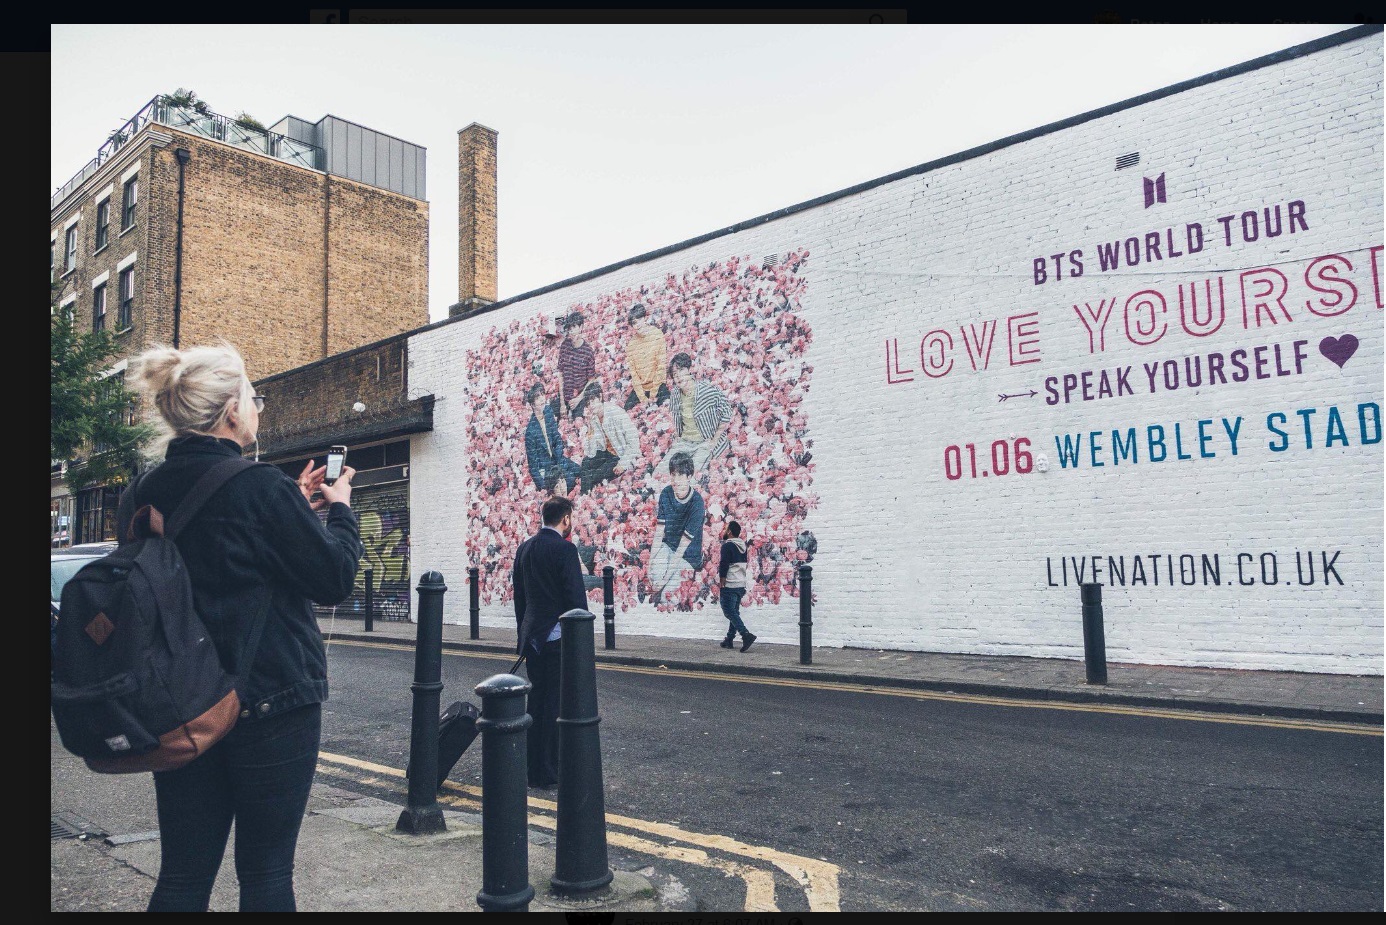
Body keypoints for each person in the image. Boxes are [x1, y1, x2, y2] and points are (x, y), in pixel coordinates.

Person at [123, 341, 363, 912]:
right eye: (254, 397)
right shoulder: (260, 487)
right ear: (231, 409)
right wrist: (342, 509)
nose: (259, 407)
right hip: (271, 699)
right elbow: (331, 578)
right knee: (265, 874)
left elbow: (202, 571)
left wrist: (294, 513)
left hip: (182, 703)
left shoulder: (143, 491)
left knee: (182, 874)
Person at [512, 495, 587, 789]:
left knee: (536, 702)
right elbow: (575, 601)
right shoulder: (565, 550)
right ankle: (548, 771)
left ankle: (533, 768)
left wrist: (525, 633)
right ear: (566, 518)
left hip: (533, 638)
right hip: (556, 640)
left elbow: (520, 597)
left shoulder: (524, 548)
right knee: (554, 705)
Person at [660, 352, 733, 476]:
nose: (678, 377)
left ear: (689, 370)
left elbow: (727, 411)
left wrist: (714, 440)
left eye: (681, 370)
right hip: (684, 442)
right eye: (674, 374)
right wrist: (678, 437)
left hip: (704, 442)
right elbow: (677, 418)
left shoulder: (706, 390)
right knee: (661, 472)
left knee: (689, 476)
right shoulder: (675, 395)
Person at [648, 451, 706, 603]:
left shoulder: (697, 503)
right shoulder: (666, 493)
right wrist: (650, 563)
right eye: (673, 474)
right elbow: (659, 533)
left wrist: (664, 581)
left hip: (687, 557)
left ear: (689, 477)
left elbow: (682, 548)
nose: (675, 480)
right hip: (668, 547)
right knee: (654, 578)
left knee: (667, 598)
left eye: (680, 475)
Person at [571, 381, 640, 494]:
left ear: (600, 397)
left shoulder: (616, 413)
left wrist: (623, 464)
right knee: (586, 463)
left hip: (620, 454)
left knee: (594, 476)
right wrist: (590, 433)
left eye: (593, 401)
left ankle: (585, 495)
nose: (591, 406)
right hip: (607, 453)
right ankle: (585, 495)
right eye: (588, 404)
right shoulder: (594, 419)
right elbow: (591, 453)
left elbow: (634, 441)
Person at [523, 382, 580, 496]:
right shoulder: (530, 431)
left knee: (581, 471)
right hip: (548, 469)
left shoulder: (548, 411)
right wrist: (544, 488)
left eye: (542, 395)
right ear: (532, 404)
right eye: (538, 398)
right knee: (570, 480)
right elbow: (533, 466)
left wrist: (559, 454)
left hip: (558, 459)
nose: (542, 399)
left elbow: (556, 437)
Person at [717, 521, 757, 652]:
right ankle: (729, 639)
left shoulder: (727, 546)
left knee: (728, 611)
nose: (725, 530)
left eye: (726, 528)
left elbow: (724, 563)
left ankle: (745, 635)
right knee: (734, 611)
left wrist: (722, 579)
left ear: (729, 532)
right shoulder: (743, 546)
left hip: (730, 583)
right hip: (740, 584)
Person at [622, 303, 669, 410]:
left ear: (645, 318)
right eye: (634, 323)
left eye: (639, 320)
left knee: (668, 407)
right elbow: (634, 374)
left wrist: (653, 393)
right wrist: (642, 397)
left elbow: (661, 367)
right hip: (641, 389)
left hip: (658, 386)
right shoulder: (631, 345)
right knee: (626, 411)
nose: (637, 325)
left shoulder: (657, 335)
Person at [555, 310, 598, 418]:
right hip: (565, 396)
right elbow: (560, 374)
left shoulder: (588, 351)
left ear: (581, 327)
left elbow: (591, 379)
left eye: (574, 327)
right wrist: (562, 404)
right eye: (569, 328)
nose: (571, 331)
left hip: (581, 396)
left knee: (579, 419)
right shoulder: (565, 346)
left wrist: (579, 399)